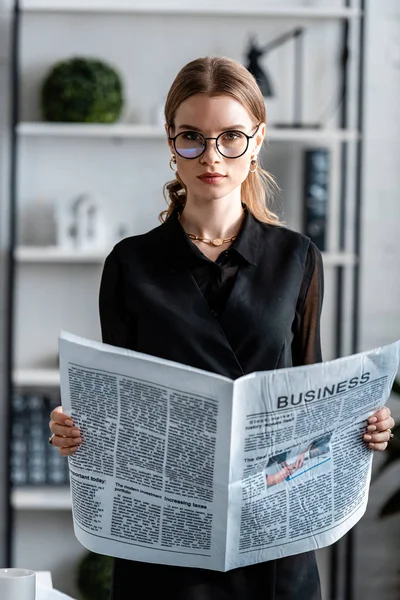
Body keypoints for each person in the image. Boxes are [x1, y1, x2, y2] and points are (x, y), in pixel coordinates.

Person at [48, 56, 395, 600]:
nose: (211, 156)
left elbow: (308, 390)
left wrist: (362, 425)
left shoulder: (297, 258)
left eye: (231, 137)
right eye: (193, 137)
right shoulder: (129, 263)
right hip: (164, 538)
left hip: (275, 539)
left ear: (257, 140)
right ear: (171, 141)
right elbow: (116, 399)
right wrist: (78, 431)